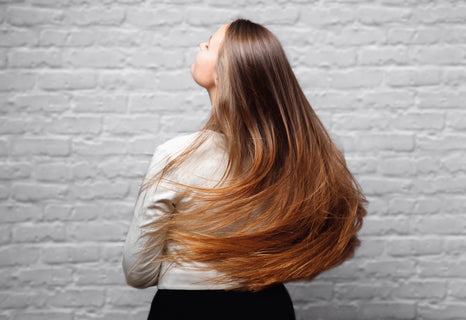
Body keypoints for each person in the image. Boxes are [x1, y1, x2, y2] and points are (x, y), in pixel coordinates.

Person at [122, 18, 367, 320]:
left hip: (185, 310)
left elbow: (138, 272)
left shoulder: (175, 156)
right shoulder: (294, 157)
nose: (201, 45)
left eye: (209, 44)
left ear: (223, 72)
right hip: (269, 308)